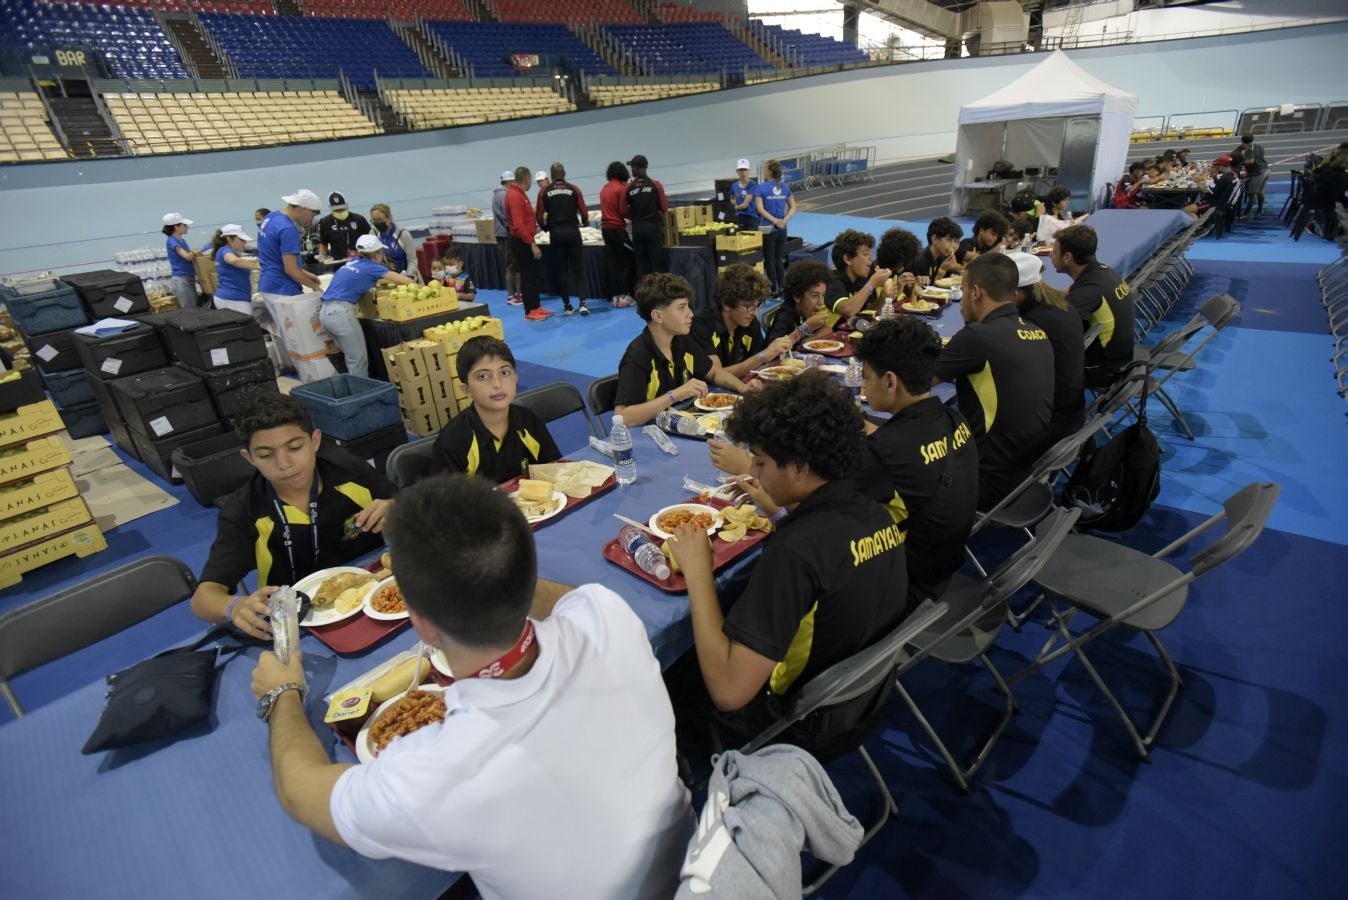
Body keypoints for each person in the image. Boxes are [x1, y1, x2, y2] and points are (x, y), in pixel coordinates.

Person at [249, 474, 693, 899]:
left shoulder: (436, 776)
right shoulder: (607, 616)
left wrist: (282, 694)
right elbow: (569, 600)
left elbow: (299, 791)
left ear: (419, 623)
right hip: (696, 865)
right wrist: (494, 572)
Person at [664, 372, 909, 760]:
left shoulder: (794, 551)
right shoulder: (874, 514)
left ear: (799, 467)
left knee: (674, 668)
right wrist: (776, 508)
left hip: (801, 725)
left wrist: (697, 572)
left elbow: (729, 692)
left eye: (760, 462)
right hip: (866, 699)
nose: (753, 473)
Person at [190, 393, 395, 639]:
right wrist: (234, 606)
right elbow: (203, 600)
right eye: (266, 455)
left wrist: (396, 509)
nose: (284, 463)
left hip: (376, 595)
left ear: (315, 441)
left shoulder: (349, 472)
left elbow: (410, 508)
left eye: (295, 447)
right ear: (249, 458)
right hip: (296, 624)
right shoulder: (244, 511)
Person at [855, 317, 978, 603]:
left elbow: (816, 506)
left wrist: (747, 467)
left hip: (904, 586)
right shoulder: (953, 419)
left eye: (866, 376)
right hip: (945, 563)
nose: (862, 384)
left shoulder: (883, 454)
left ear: (889, 381)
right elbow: (911, 447)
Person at [935, 253, 1053, 508]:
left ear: (975, 292)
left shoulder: (978, 337)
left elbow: (913, 383)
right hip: (1025, 473)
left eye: (963, 289)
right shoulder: (1037, 331)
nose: (962, 299)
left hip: (985, 482)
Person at [614, 273, 750, 427]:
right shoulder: (637, 356)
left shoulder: (681, 340)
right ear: (658, 316)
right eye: (681, 308)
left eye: (688, 306)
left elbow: (713, 372)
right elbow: (622, 418)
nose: (690, 314)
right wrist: (674, 395)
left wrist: (743, 387)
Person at [429, 336, 562, 482]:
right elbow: (450, 502)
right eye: (483, 376)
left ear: (516, 378)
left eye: (504, 373)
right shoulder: (453, 442)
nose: (497, 384)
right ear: (466, 389)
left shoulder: (529, 421)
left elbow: (554, 471)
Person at [1008, 251, 1085, 446]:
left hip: (1050, 426)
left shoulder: (1032, 324)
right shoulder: (1062, 306)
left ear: (1015, 295)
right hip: (1072, 412)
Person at [1051, 224, 1135, 389]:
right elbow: (1065, 294)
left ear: (1067, 257)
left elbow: (1053, 324)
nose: (1050, 256)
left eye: (1054, 251)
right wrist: (1037, 287)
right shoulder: (1105, 272)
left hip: (1103, 371)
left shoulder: (1090, 291)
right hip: (1123, 358)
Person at [320, 235, 415, 378]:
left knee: (350, 358)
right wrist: (413, 281)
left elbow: (367, 278)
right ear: (377, 254)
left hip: (326, 313)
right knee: (358, 361)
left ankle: (354, 391)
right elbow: (406, 281)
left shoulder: (352, 263)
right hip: (341, 315)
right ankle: (362, 397)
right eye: (381, 252)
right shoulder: (372, 266)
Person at [690, 264, 793, 381]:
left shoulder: (750, 322)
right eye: (748, 306)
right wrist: (762, 356)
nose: (754, 313)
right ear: (727, 303)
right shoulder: (700, 325)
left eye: (758, 305)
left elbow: (760, 367)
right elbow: (716, 375)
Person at [538, 162, 591, 316]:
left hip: (556, 233)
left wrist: (545, 228)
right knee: (578, 268)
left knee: (562, 270)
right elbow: (584, 211)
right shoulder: (574, 189)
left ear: (551, 175)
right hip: (573, 231)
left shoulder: (544, 191)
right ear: (564, 173)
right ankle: (582, 303)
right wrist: (585, 223)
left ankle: (567, 305)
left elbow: (539, 215)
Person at [257, 190, 323, 312]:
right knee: (298, 331)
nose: (311, 220)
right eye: (312, 215)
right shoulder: (288, 229)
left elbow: (274, 255)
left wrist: (305, 273)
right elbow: (291, 270)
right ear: (303, 208)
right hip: (283, 290)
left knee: (282, 330)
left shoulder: (271, 217)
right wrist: (315, 288)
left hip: (268, 285)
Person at [505, 166, 549, 321]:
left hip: (524, 239)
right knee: (528, 275)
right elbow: (518, 224)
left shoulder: (519, 193)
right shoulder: (515, 196)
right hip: (521, 241)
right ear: (527, 179)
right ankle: (530, 310)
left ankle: (536, 306)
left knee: (533, 274)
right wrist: (532, 244)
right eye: (531, 180)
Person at [825, 229, 890, 327]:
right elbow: (848, 310)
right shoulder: (834, 281)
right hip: (823, 340)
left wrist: (883, 297)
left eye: (870, 254)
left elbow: (867, 315)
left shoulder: (858, 280)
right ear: (847, 259)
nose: (871, 258)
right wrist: (872, 284)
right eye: (865, 254)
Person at [762, 259, 831, 345]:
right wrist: (806, 328)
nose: (821, 302)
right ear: (797, 296)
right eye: (814, 296)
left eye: (823, 295)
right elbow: (773, 352)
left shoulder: (807, 312)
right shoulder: (784, 319)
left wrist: (807, 341)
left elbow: (827, 330)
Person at [753, 159, 796, 297]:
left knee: (769, 260)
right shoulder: (785, 187)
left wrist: (774, 221)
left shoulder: (760, 188)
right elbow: (793, 206)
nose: (764, 171)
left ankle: (774, 289)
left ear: (769, 171)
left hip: (767, 228)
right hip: (782, 228)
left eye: (765, 169)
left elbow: (760, 209)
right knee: (778, 259)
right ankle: (783, 288)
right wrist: (784, 220)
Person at [625, 153, 670, 282]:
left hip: (638, 228)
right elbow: (665, 207)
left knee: (641, 263)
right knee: (657, 261)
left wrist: (634, 215)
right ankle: (660, 290)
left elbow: (623, 210)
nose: (631, 170)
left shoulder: (628, 187)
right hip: (653, 228)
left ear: (639, 168)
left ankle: (643, 292)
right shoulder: (656, 184)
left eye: (632, 167)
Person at [600, 160, 636, 308]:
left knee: (612, 263)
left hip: (606, 230)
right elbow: (624, 210)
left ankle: (614, 296)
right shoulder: (622, 188)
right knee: (629, 261)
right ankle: (625, 295)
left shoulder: (604, 188)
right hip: (617, 230)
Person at [211, 224, 259, 316]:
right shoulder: (225, 250)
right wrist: (260, 266)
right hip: (233, 300)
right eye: (241, 240)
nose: (244, 243)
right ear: (229, 239)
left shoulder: (224, 251)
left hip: (229, 298)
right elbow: (234, 261)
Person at [493, 170, 524, 307]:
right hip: (506, 235)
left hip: (503, 234)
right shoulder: (504, 195)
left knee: (514, 265)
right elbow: (506, 216)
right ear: (511, 182)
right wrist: (513, 229)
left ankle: (518, 293)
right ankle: (511, 295)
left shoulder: (497, 195)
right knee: (511, 266)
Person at [316, 191, 372, 261]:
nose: (340, 211)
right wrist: (322, 256)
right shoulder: (324, 222)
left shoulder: (359, 219)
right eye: (336, 210)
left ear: (346, 204)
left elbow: (370, 239)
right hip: (337, 262)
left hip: (360, 259)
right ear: (330, 207)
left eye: (342, 208)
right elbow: (323, 243)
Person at [369, 203, 417, 279]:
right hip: (384, 278)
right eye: (374, 220)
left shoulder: (403, 235)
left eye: (380, 219)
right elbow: (370, 260)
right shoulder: (373, 234)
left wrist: (408, 275)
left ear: (389, 218)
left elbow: (412, 260)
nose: (377, 223)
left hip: (405, 276)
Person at [874, 227, 921, 303]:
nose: (903, 267)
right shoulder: (873, 273)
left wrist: (912, 287)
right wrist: (897, 290)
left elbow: (909, 294)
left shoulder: (899, 269)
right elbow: (872, 311)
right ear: (894, 257)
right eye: (902, 262)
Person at [162, 212, 199, 309]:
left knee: (195, 308)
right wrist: (200, 250)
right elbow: (187, 257)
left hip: (189, 278)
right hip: (181, 280)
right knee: (190, 310)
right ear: (176, 227)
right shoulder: (172, 241)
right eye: (184, 225)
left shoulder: (182, 241)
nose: (187, 227)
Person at [911, 217, 964, 284]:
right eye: (949, 240)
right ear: (934, 239)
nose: (953, 246)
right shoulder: (920, 262)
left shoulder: (942, 257)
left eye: (956, 241)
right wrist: (942, 270)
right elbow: (927, 291)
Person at [730, 158, 759, 231]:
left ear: (749, 171)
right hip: (739, 217)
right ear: (737, 171)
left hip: (751, 218)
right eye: (741, 170)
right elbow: (732, 198)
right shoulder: (734, 186)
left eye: (745, 170)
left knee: (751, 241)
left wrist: (737, 207)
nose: (743, 172)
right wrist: (735, 202)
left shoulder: (752, 184)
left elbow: (745, 205)